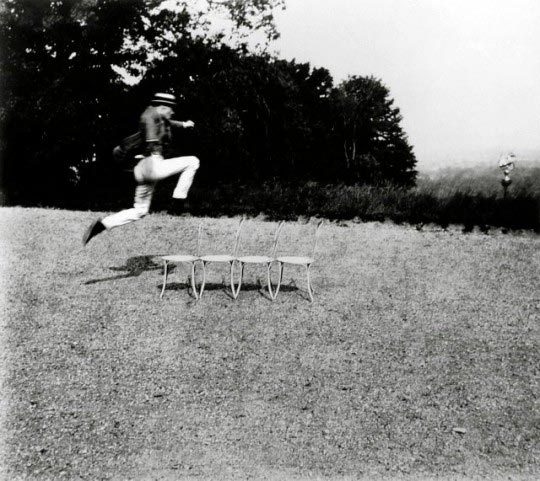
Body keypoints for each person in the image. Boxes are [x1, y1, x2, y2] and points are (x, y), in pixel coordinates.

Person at [83, 92, 200, 245]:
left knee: (140, 210)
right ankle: (178, 204)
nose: (172, 112)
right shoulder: (150, 116)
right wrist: (150, 150)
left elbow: (169, 123)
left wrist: (184, 124)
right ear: (163, 107)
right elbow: (150, 136)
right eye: (171, 109)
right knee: (193, 161)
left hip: (144, 169)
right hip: (153, 165)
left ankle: (102, 224)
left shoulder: (157, 115)